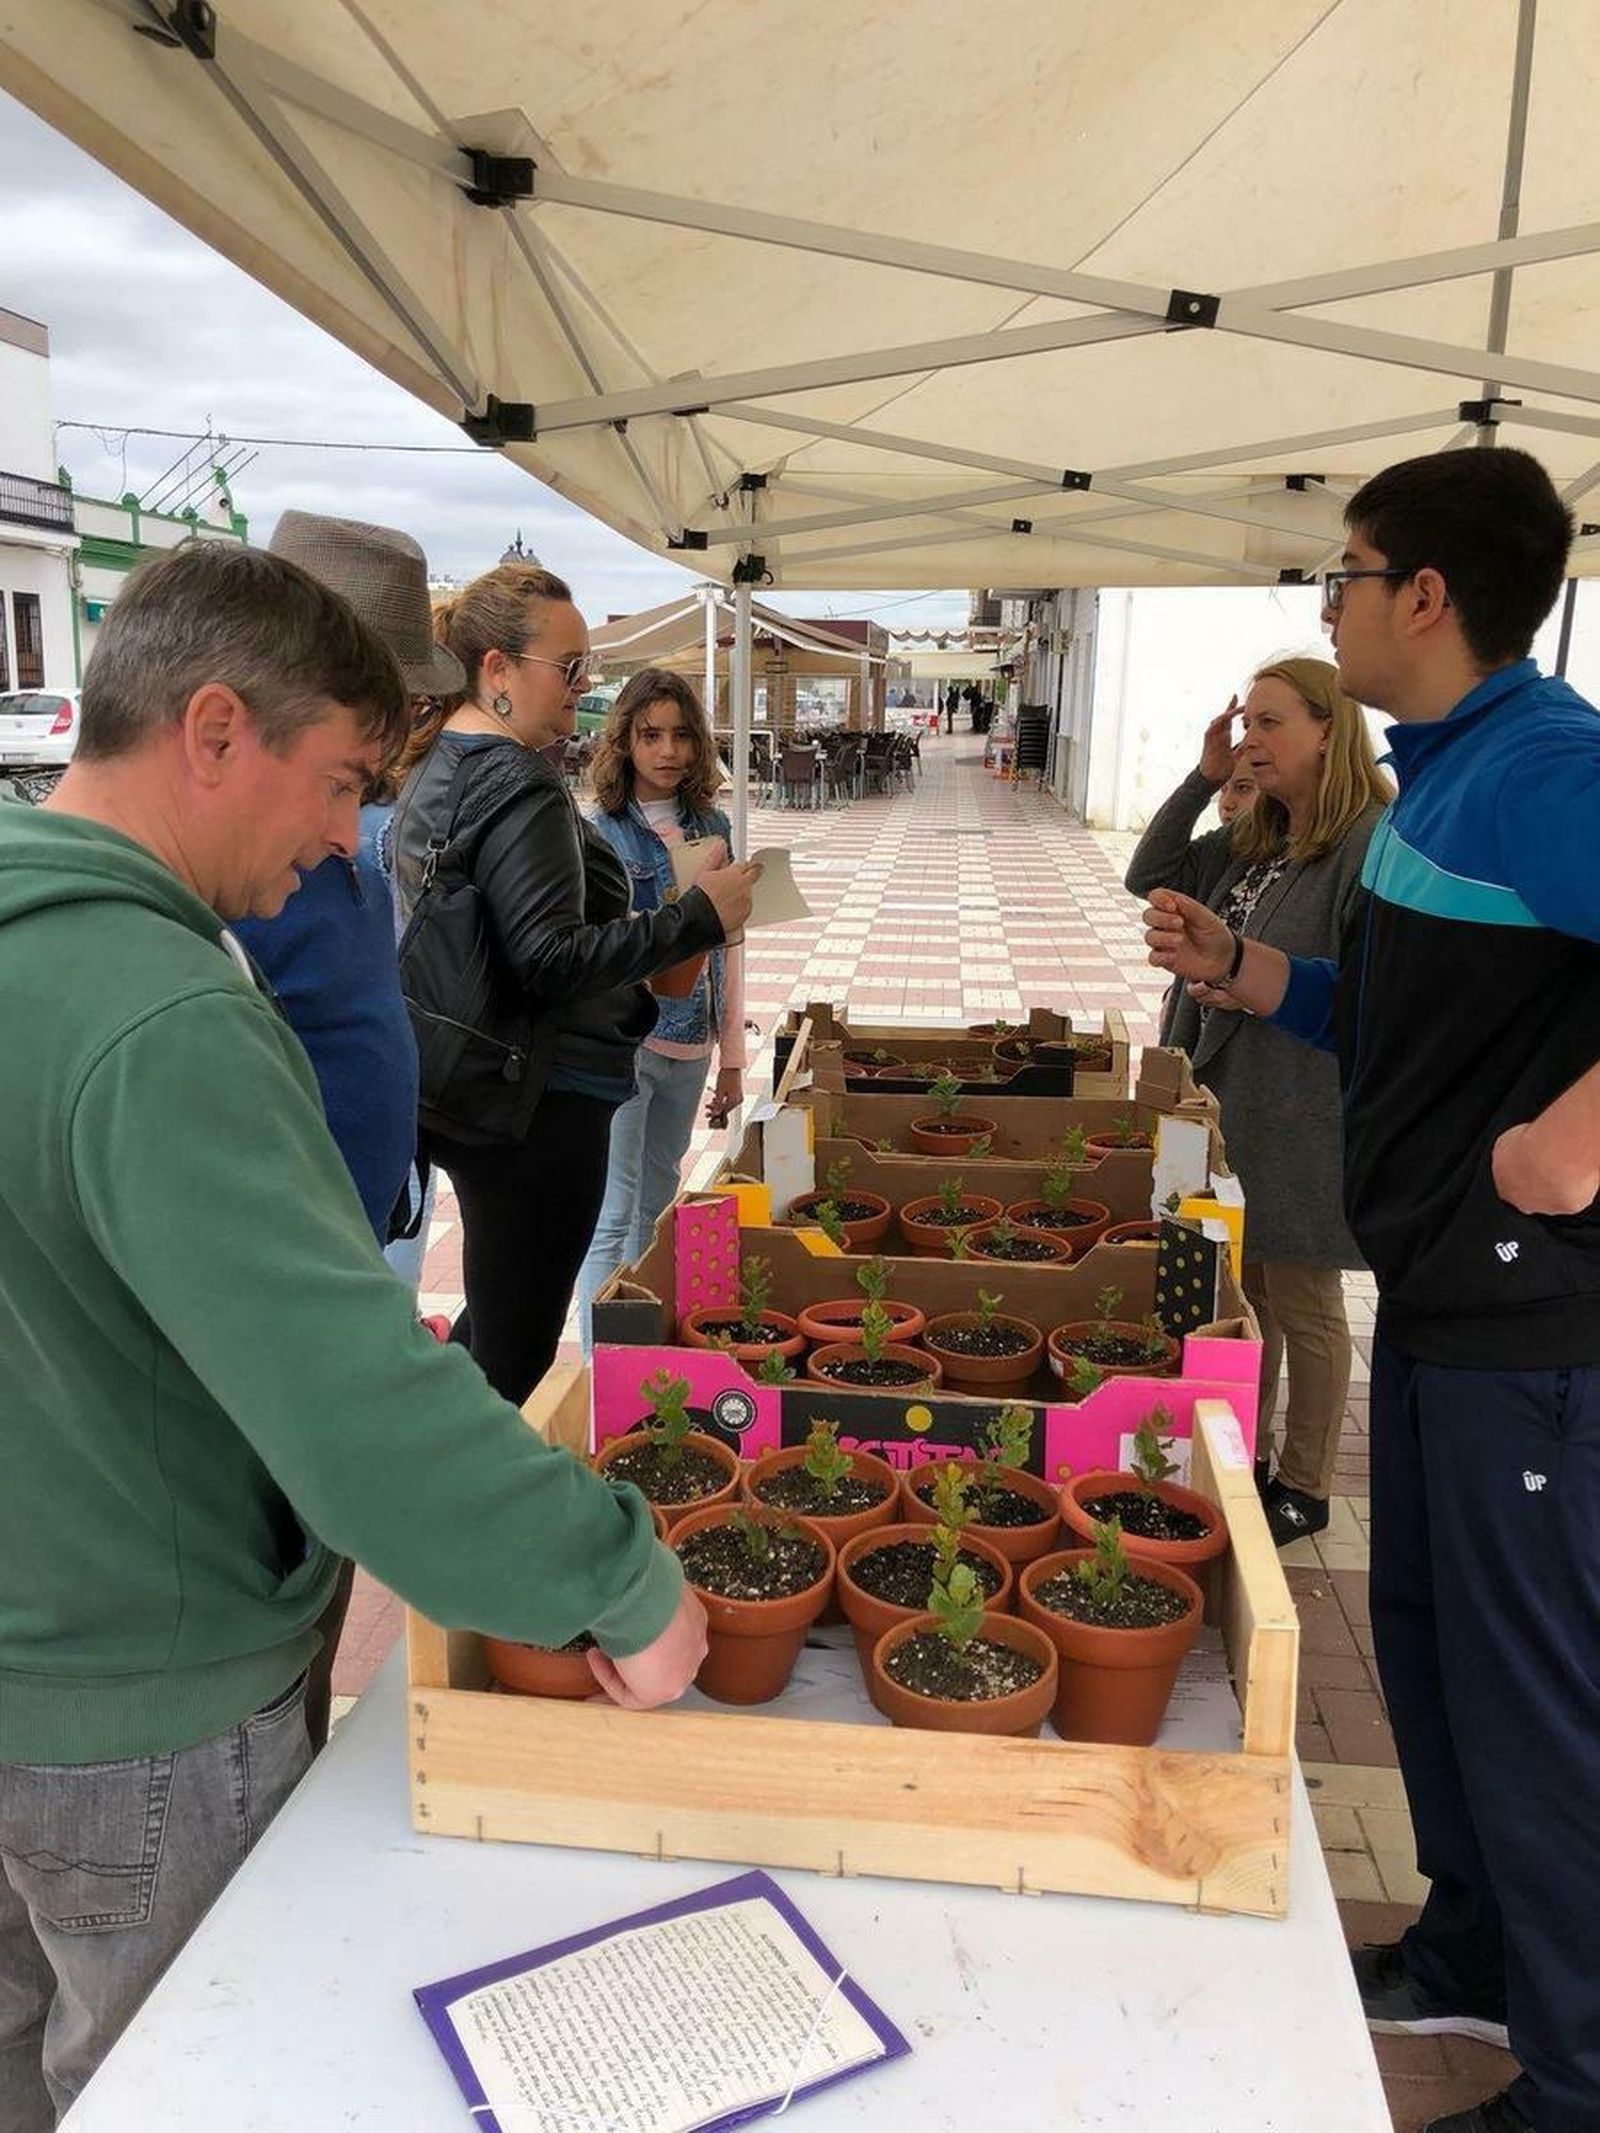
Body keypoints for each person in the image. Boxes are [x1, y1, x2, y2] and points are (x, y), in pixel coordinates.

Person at [0, 543, 710, 2132]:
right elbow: (354, 1408)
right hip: (142, 1707)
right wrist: (616, 1576)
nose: (345, 836)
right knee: (175, 2090)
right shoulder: (158, 1012)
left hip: (37, 1643)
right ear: (211, 730)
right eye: (336, 782)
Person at [1143, 446, 1600, 2133]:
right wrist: (1254, 970)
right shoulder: (1441, 780)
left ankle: (1578, 2070)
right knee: (1432, 1649)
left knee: (1535, 1694)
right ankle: (1475, 1945)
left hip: (1533, 1329)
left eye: (1341, 572)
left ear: (1424, 593)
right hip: (1439, 1301)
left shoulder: (1551, 768)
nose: (1326, 605)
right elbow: (1414, 1014)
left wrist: (1576, 1138)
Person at [391, 565, 758, 1405]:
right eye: (569, 667)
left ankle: (431, 1452)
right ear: (496, 669)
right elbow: (549, 957)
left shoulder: (441, 762)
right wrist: (697, 915)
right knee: (515, 1349)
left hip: (470, 1086)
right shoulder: (518, 780)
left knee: (495, 1319)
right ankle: (451, 1479)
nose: (583, 684)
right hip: (538, 1100)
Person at [229, 510, 460, 1754]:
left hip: (366, 1229)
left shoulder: (337, 827)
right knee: (288, 1549)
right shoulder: (231, 862)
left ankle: (302, 1738)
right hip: (292, 1267)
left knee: (323, 1556)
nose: (404, 725)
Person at [1127, 662, 1390, 1545]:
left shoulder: (1365, 841)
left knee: (1304, 1296)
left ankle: (1306, 1484)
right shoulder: (1262, 833)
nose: (1252, 740)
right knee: (1253, 1290)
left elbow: (1368, 986)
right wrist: (1204, 778)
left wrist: (1251, 982)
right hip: (1232, 1091)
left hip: (1302, 1103)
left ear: (1329, 730)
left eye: (1271, 722)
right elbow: (1151, 873)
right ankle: (1252, 1451)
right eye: (1248, 725)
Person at [576, 669, 746, 1345]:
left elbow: (730, 946)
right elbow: (597, 950)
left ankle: (637, 1353)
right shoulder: (601, 833)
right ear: (624, 741)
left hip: (693, 1043)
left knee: (656, 1203)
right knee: (611, 1212)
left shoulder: (713, 826)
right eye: (650, 735)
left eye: (680, 734)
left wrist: (732, 1058)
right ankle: (600, 1368)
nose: (668, 750)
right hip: (628, 1045)